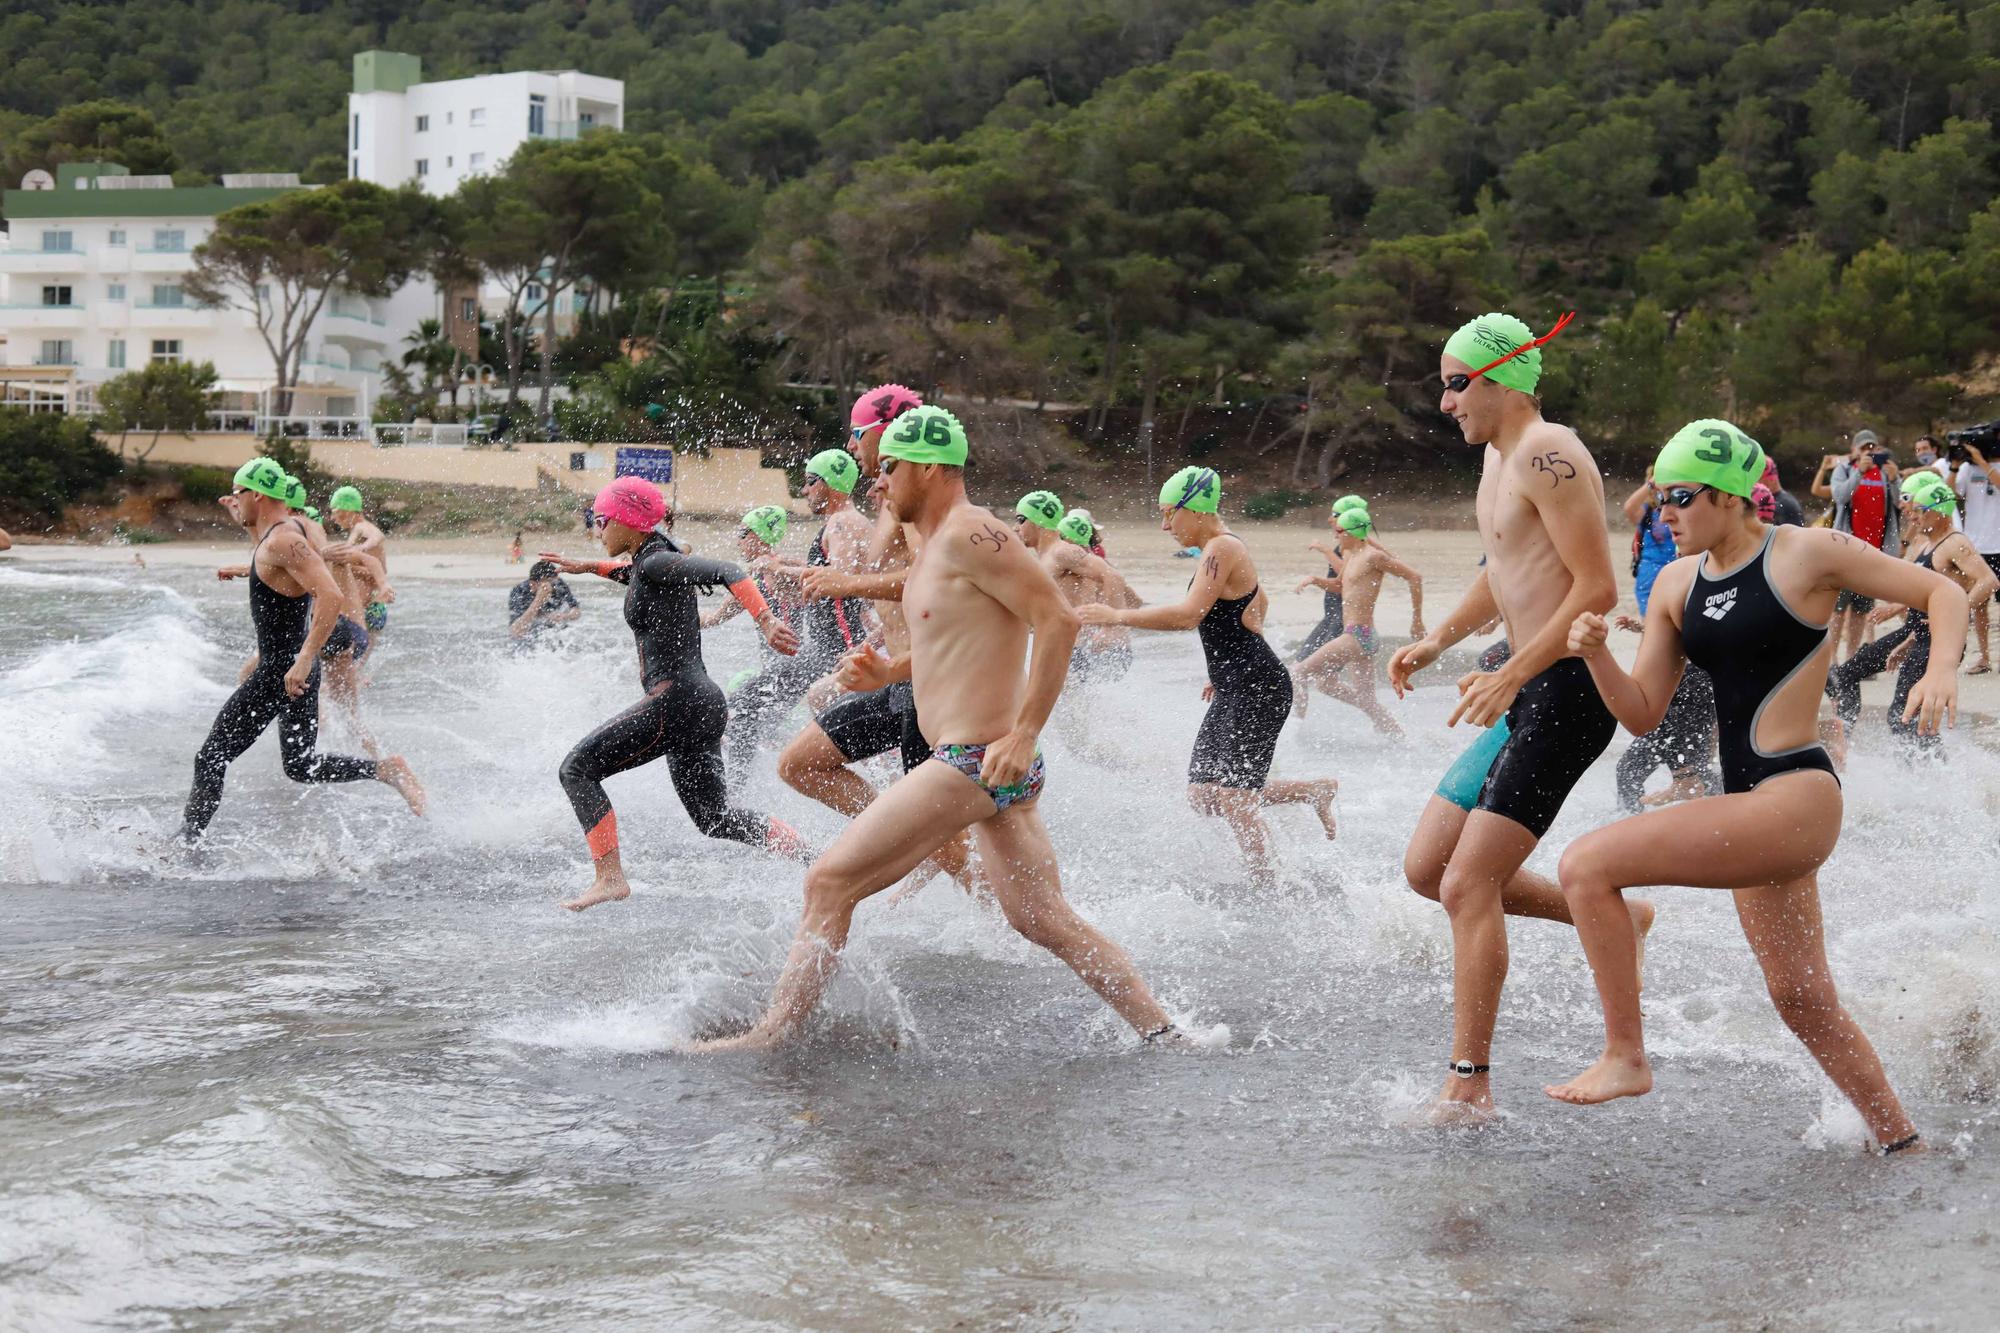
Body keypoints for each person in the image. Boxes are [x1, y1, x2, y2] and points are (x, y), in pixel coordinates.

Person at [687, 406, 1195, 1051]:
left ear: (927, 466)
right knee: (1043, 920)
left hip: (978, 758)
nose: (881, 481)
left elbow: (1058, 620)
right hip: (988, 765)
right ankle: (1165, 1032)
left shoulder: (973, 534)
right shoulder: (936, 546)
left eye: (891, 467)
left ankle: (772, 1036)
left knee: (830, 881)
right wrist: (889, 671)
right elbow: (959, 641)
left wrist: (1025, 734)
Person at [1543, 418, 1962, 1158]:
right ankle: (1904, 1144)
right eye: (1657, 499)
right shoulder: (1676, 584)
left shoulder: (1809, 553)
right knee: (1801, 999)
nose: (1661, 512)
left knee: (1586, 865)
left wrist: (1940, 670)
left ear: (1732, 494)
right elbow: (1642, 713)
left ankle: (1626, 1055)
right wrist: (1598, 658)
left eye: (1678, 496)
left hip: (1796, 795)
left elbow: (1943, 594)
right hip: (1750, 806)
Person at [1385, 310, 1654, 1124]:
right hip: (1525, 688)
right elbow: (1503, 573)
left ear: (1501, 380)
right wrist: (1439, 638)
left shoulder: (1549, 453)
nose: (1445, 402)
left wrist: (1511, 670)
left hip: (1566, 695)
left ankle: (1470, 1083)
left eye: (1456, 382)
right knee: (1428, 868)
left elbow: (1597, 590)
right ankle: (1612, 914)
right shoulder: (1499, 463)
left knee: (1469, 882)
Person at [536, 477, 811, 913]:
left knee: (577, 770)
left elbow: (729, 571)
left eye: (602, 520)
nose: (598, 529)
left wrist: (765, 621)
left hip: (677, 700)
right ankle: (813, 858)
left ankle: (609, 879)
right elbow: (630, 573)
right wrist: (587, 566)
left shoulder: (656, 562)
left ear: (628, 522)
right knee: (715, 818)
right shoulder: (651, 561)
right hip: (702, 704)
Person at [1078, 467, 1338, 886]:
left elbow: (1187, 616)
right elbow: (1258, 600)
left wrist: (1117, 615)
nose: (1164, 526)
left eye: (1169, 514)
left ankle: (1268, 885)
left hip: (1260, 687)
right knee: (1204, 794)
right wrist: (1223, 668)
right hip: (1237, 684)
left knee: (1235, 797)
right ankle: (1311, 790)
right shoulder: (1220, 551)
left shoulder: (1222, 548)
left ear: (1194, 509)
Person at [775, 386, 982, 897]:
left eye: (857, 432)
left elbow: (933, 575)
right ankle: (909, 839)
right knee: (799, 763)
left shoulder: (915, 505)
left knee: (941, 832)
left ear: (885, 432)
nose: (851, 444)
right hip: (897, 675)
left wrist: (846, 584)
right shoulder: (890, 500)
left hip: (928, 679)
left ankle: (994, 912)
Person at [178, 458, 425, 845]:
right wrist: (249, 569)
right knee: (301, 765)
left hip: (281, 671)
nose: (236, 503)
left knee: (210, 758)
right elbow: (299, 570)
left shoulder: (283, 539)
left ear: (256, 494)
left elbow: (330, 593)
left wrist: (305, 658)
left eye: (238, 494)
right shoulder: (289, 533)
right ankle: (385, 769)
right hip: (293, 672)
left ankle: (185, 846)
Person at [726, 448, 872, 782]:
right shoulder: (843, 523)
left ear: (829, 483)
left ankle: (733, 794)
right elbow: (834, 580)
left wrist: (778, 566)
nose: (804, 490)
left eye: (810, 482)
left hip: (832, 653)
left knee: (745, 703)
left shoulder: (842, 523)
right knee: (754, 705)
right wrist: (790, 568)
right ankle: (744, 783)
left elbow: (842, 577)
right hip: (824, 650)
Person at [1824, 473, 1996, 752]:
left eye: (1919, 511)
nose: (1913, 517)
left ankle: (1931, 774)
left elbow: (1989, 581)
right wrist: (1900, 614)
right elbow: (1922, 586)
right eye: (1912, 509)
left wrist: (1954, 612)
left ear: (1939, 512)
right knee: (1844, 675)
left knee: (1903, 716)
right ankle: (1846, 744)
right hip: (1916, 632)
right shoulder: (1923, 541)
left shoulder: (1955, 543)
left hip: (1939, 638)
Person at [1290, 503, 1419, 736]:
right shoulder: (1351, 556)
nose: (1334, 534)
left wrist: (1416, 620)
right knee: (1355, 695)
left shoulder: (1374, 557)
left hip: (1359, 635)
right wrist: (1314, 579)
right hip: (1358, 636)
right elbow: (1339, 585)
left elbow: (1414, 577)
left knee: (1298, 673)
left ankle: (1292, 734)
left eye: (1339, 531)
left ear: (1351, 533)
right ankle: (1398, 737)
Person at [1812, 431, 1901, 661]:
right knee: (1838, 609)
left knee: (1861, 610)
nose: (1868, 453)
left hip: (1873, 551)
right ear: (1854, 450)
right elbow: (1840, 496)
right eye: (1863, 449)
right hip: (1846, 550)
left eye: (1872, 448)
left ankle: (1851, 659)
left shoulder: (1884, 473)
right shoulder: (1844, 469)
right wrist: (1859, 472)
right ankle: (1831, 662)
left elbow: (1899, 502)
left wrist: (1893, 480)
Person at [1289, 496, 1368, 663]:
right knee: (1320, 677)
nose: (1329, 519)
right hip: (1334, 616)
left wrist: (1325, 550)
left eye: (1335, 514)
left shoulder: (1350, 546)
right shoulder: (1352, 542)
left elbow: (1346, 578)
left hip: (1342, 617)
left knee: (1303, 669)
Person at [1952, 432, 2000, 674]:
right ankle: (1984, 657)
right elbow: (1951, 495)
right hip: (1976, 546)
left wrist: (1981, 461)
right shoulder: (1966, 470)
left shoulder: (1990, 465)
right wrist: (1954, 465)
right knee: (1979, 605)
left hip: (1999, 543)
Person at [325, 486, 392, 653]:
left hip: (368, 606)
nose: (332, 517)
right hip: (376, 605)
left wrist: (361, 548)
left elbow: (378, 536)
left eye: (335, 511)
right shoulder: (358, 529)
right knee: (358, 666)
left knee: (348, 658)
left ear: (347, 510)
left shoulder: (361, 527)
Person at [1622, 470, 1678, 616]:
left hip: (1678, 573)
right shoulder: (1647, 512)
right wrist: (1652, 483)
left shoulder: (1680, 509)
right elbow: (1629, 508)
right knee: (1649, 627)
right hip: (1650, 575)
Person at [508, 559, 582, 647]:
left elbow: (576, 610)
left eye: (554, 582)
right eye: (549, 583)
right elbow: (516, 631)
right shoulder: (520, 591)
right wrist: (539, 599)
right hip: (529, 635)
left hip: (553, 631)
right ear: (533, 584)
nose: (553, 586)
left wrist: (565, 616)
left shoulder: (559, 584)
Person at [1761, 458, 1806, 528]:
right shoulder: (1785, 499)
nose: (1755, 486)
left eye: (1759, 482)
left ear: (1771, 480)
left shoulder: (1781, 504)